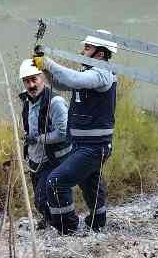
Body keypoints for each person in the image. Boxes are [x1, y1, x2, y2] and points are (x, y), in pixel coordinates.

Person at [32, 30, 118, 235]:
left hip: (94, 146)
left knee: (56, 181)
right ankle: (97, 222)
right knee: (90, 183)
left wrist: (48, 63)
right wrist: (46, 71)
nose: (82, 51)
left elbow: (74, 80)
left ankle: (67, 228)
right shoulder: (89, 72)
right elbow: (64, 83)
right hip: (84, 144)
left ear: (100, 53)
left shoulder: (102, 73)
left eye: (87, 48)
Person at [18, 59, 70, 230]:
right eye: (27, 81)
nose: (31, 84)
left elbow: (63, 133)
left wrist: (39, 139)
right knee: (39, 200)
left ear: (43, 78)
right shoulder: (27, 101)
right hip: (35, 159)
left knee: (44, 197)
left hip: (53, 159)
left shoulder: (55, 103)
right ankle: (50, 221)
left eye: (34, 79)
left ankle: (64, 226)